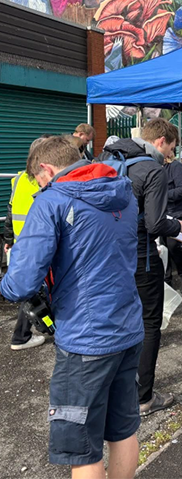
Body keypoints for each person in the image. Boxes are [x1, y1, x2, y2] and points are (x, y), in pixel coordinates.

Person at [2, 135, 143, 479]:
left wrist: (8, 272)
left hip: (84, 339)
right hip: (127, 326)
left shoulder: (51, 202)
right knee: (123, 429)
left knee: (80, 446)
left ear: (46, 170)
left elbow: (20, 283)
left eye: (37, 179)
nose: (37, 185)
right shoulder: (121, 189)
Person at [102, 119, 182, 416]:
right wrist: (178, 225)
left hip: (106, 257)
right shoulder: (152, 170)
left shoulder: (110, 159)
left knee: (117, 323)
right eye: (171, 146)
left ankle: (116, 391)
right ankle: (144, 398)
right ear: (160, 141)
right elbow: (155, 223)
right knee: (149, 324)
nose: (171, 154)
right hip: (141, 256)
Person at [7, 136, 57, 352]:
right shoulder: (48, 182)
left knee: (32, 292)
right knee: (36, 294)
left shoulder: (18, 179)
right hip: (40, 247)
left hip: (22, 244)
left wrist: (8, 240)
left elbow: (10, 212)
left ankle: (25, 334)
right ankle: (21, 336)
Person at [162, 148, 182, 294]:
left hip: (176, 212)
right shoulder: (155, 166)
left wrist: (161, 194)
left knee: (173, 246)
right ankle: (166, 279)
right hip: (161, 213)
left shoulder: (176, 167)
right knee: (162, 248)